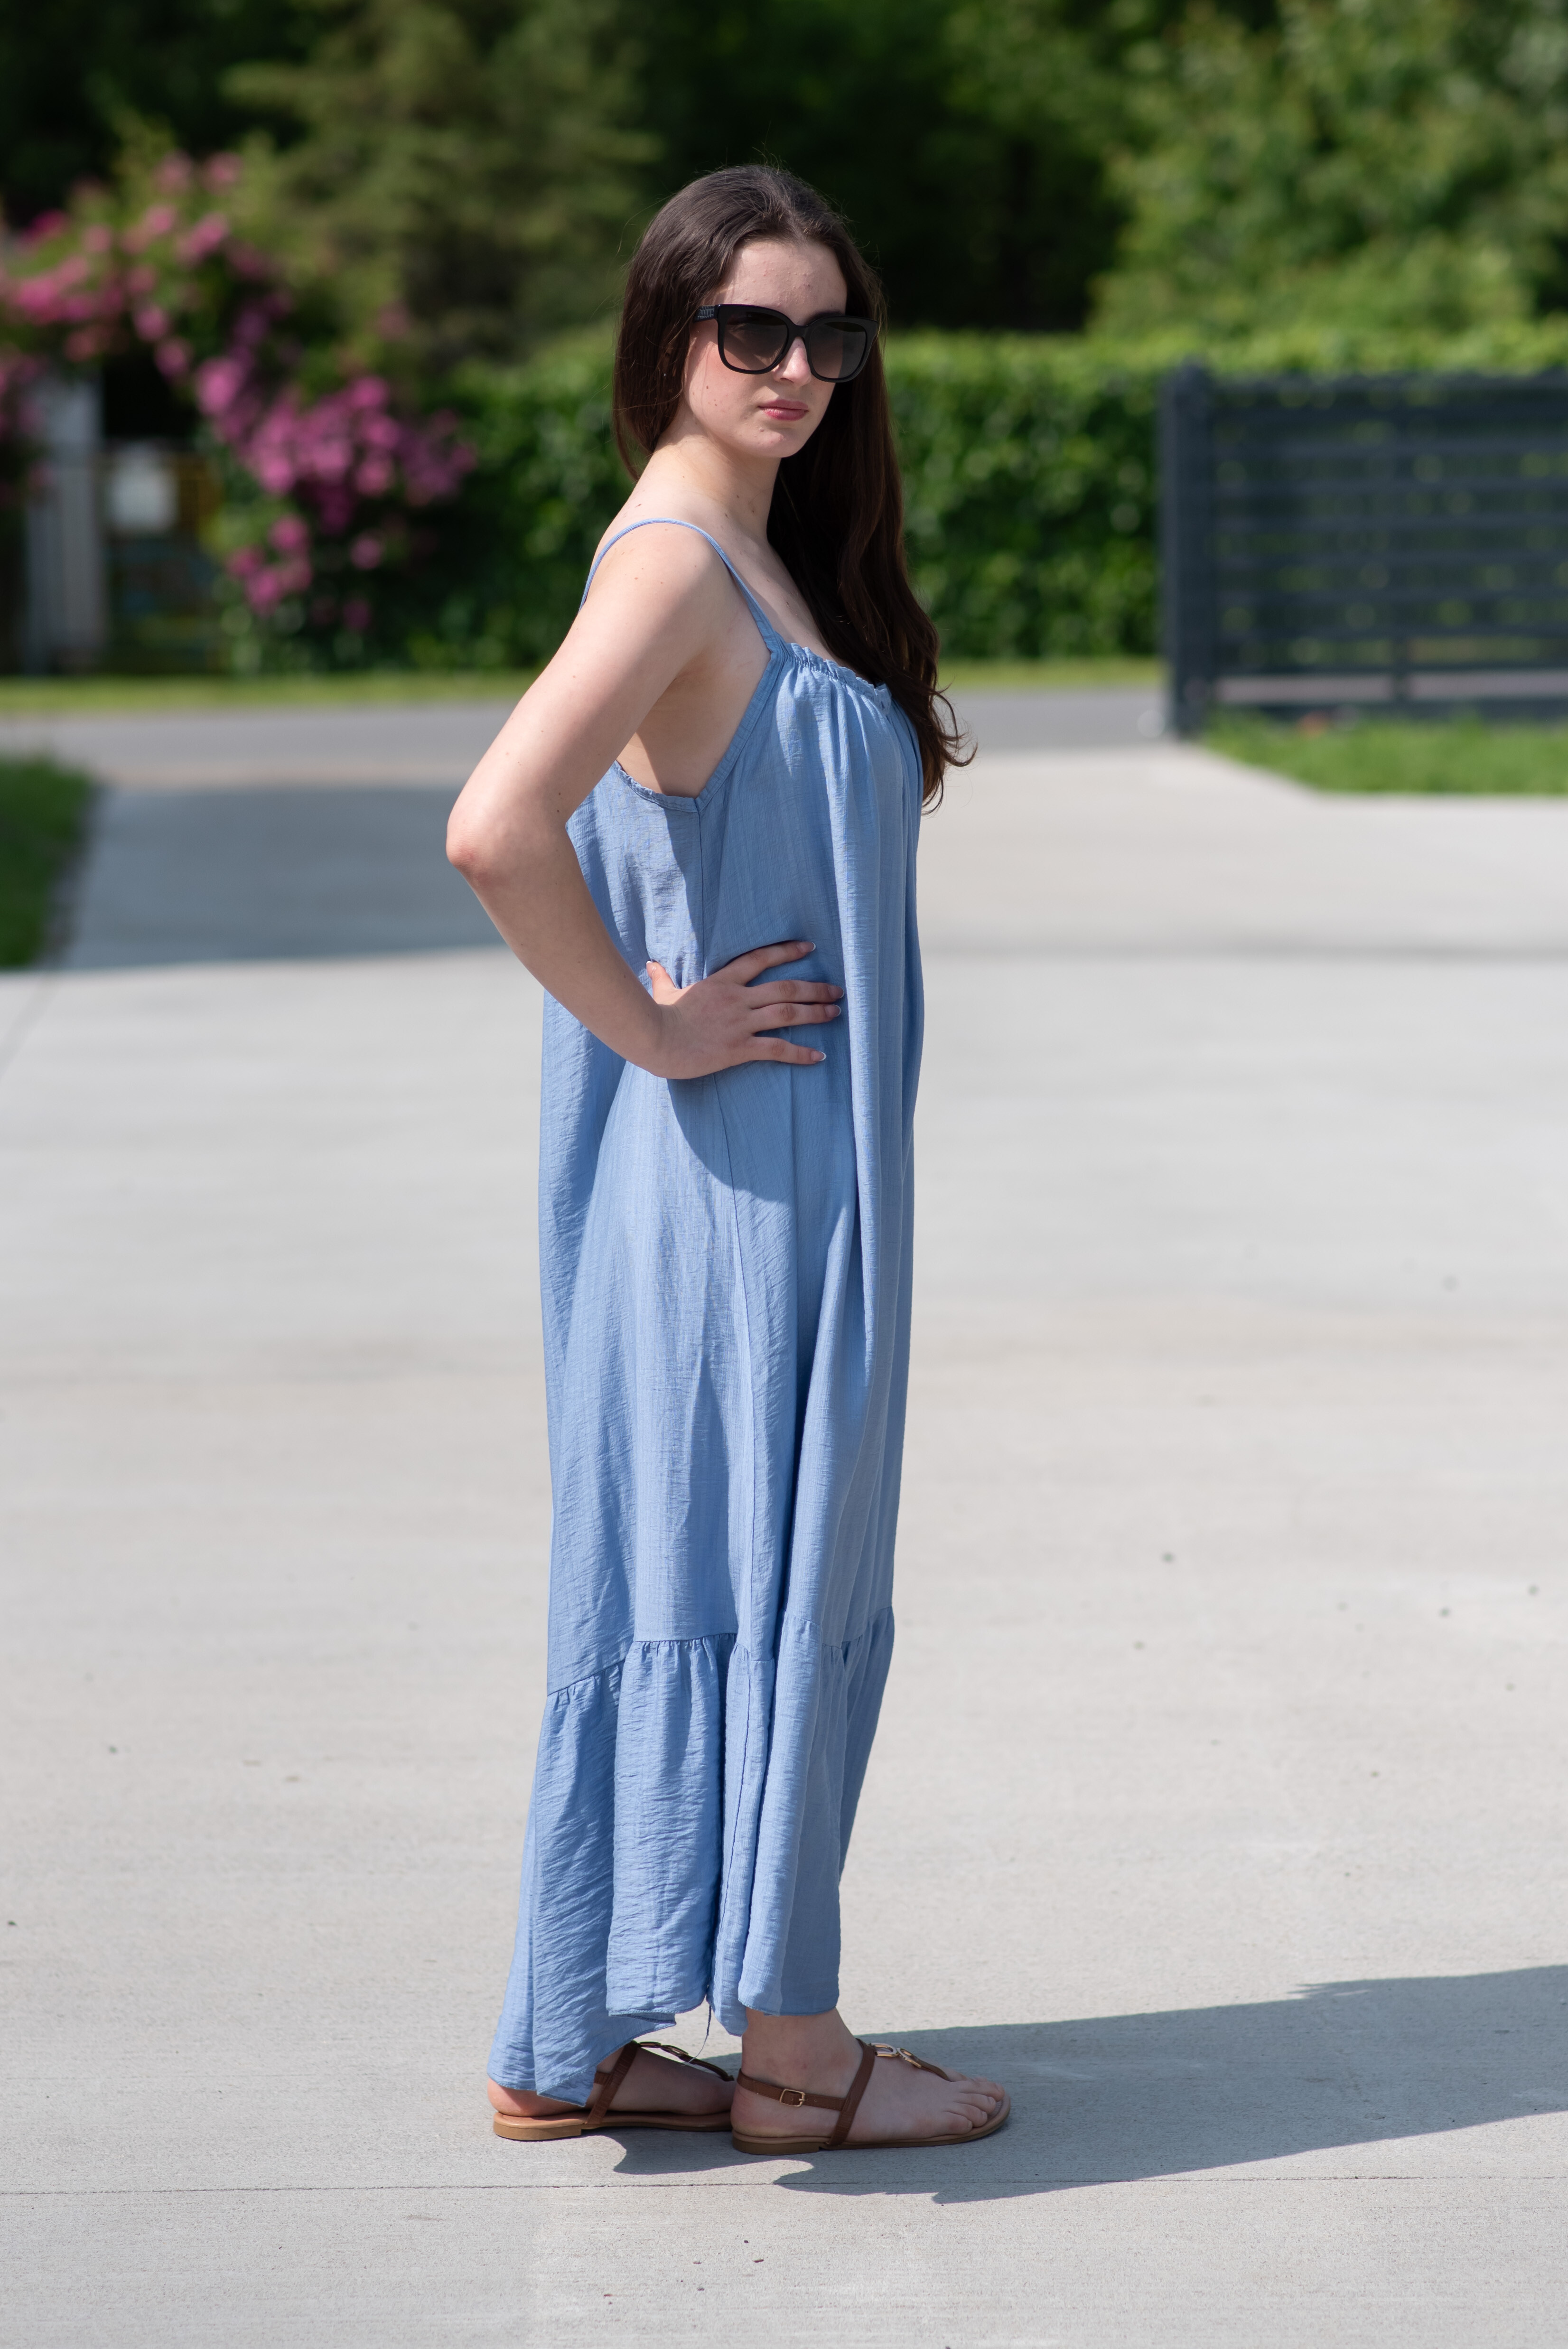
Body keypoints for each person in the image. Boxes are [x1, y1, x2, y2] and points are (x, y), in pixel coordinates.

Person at [447, 165, 1008, 2154]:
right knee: (763, 1575)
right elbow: (495, 824)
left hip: (776, 1170)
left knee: (708, 1571)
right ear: (668, 333)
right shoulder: (677, 561)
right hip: (739, 1185)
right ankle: (794, 2054)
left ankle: (572, 2041)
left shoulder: (764, 557)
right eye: (749, 327)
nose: (795, 364)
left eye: (827, 331)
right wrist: (658, 1026)